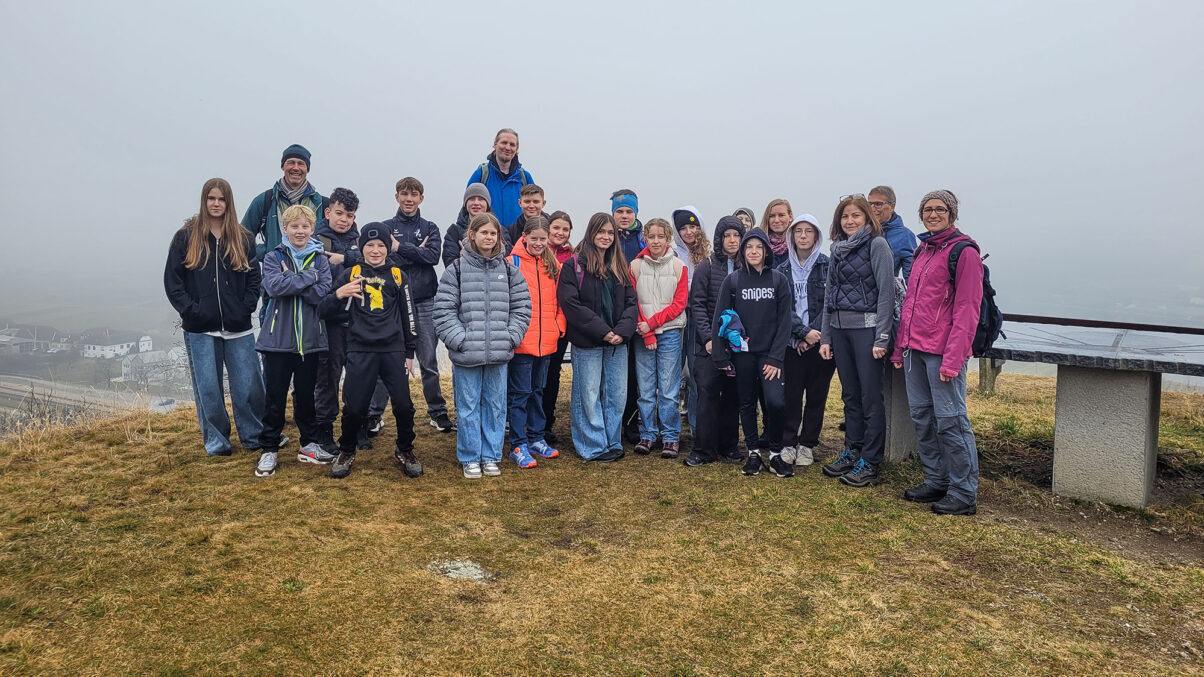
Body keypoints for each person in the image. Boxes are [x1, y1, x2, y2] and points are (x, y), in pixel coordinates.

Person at [892, 190, 983, 516]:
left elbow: (967, 310)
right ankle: (936, 479)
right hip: (915, 351)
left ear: (952, 213)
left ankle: (963, 491)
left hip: (943, 352)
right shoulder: (923, 251)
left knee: (951, 422)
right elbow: (911, 305)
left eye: (939, 209)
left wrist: (954, 358)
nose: (933, 214)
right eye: (927, 209)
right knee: (923, 418)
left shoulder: (964, 252)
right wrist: (901, 347)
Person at [164, 178, 265, 457]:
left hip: (239, 327)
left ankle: (254, 436)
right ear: (204, 201)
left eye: (221, 199)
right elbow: (173, 282)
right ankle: (218, 442)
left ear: (229, 202)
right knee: (208, 389)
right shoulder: (186, 237)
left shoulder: (243, 237)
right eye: (211, 198)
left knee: (249, 386)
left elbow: (254, 277)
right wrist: (192, 311)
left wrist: (246, 307)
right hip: (200, 329)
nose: (216, 203)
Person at [433, 213, 531, 478]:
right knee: (467, 408)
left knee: (496, 407)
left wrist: (510, 337)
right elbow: (443, 310)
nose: (489, 237)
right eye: (484, 232)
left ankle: (490, 456)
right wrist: (460, 340)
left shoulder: (509, 270)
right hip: (467, 354)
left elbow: (522, 308)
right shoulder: (456, 269)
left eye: (493, 233)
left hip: (499, 353)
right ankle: (469, 457)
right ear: (472, 235)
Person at [322, 223, 422, 480]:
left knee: (403, 405)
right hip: (359, 349)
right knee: (354, 408)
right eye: (369, 245)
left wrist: (410, 351)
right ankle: (346, 450)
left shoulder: (398, 276)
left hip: (393, 350)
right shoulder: (350, 273)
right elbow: (323, 310)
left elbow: (409, 314)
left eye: (380, 246)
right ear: (361, 247)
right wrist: (339, 294)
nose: (375, 250)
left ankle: (405, 449)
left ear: (387, 248)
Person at [819, 195, 896, 488]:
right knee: (849, 395)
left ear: (867, 219)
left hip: (867, 331)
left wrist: (882, 337)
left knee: (870, 397)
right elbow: (829, 296)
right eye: (845, 216)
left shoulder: (877, 245)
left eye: (856, 216)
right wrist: (826, 336)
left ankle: (870, 461)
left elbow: (886, 293)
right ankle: (852, 450)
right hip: (839, 331)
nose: (850, 221)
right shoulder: (837, 248)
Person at [254, 204, 333, 477]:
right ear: (285, 229)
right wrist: (306, 279)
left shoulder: (320, 260)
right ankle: (269, 450)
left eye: (305, 226)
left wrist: (295, 279)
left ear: (313, 229)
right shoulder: (274, 256)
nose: (300, 231)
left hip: (310, 341)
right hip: (277, 341)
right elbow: (274, 287)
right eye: (294, 226)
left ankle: (309, 445)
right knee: (274, 398)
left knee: (306, 397)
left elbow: (322, 293)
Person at [558, 213, 638, 462]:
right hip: (588, 342)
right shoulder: (575, 265)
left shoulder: (619, 266)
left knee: (616, 395)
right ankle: (591, 446)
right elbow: (571, 304)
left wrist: (621, 332)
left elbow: (631, 303)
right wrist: (603, 331)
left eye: (610, 233)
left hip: (617, 344)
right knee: (588, 395)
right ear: (591, 233)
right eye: (601, 232)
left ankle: (611, 441)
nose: (606, 237)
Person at [713, 229, 793, 477]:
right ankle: (753, 452)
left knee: (775, 403)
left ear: (767, 251)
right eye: (749, 247)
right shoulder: (733, 281)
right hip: (743, 355)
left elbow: (785, 322)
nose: (754, 251)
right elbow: (721, 318)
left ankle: (776, 453)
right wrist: (721, 355)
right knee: (746, 403)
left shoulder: (778, 280)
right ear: (743, 251)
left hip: (770, 356)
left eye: (759, 247)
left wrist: (776, 357)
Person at [381, 177, 454, 432]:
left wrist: (402, 247)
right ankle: (374, 414)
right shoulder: (385, 227)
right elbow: (385, 260)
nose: (409, 199)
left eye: (414, 194)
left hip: (425, 302)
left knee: (429, 361)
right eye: (404, 193)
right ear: (397, 196)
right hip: (393, 303)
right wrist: (415, 252)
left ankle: (437, 411)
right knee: (387, 359)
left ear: (421, 198)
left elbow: (433, 257)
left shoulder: (431, 227)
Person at [682, 216, 746, 468]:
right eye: (727, 235)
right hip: (707, 345)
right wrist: (708, 338)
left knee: (732, 395)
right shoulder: (706, 266)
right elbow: (696, 305)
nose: (732, 240)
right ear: (719, 239)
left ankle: (729, 445)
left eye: (737, 236)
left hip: (738, 345)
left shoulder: (748, 269)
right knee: (707, 393)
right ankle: (704, 449)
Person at [776, 214, 836, 468]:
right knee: (791, 395)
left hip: (821, 342)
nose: (802, 236)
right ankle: (788, 441)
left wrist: (812, 334)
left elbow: (830, 302)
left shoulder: (828, 265)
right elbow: (781, 307)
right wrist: (801, 333)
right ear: (791, 236)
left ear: (816, 236)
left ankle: (808, 443)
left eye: (808, 231)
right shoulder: (781, 269)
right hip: (792, 343)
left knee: (816, 395)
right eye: (798, 231)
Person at [507, 215, 565, 465]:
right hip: (522, 342)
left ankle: (536, 437)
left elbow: (561, 302)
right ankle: (518, 445)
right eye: (535, 238)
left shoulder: (553, 266)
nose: (539, 243)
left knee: (538, 392)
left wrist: (558, 326)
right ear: (525, 237)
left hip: (547, 341)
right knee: (520, 394)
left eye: (543, 239)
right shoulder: (512, 263)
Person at [630, 218, 690, 458]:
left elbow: (679, 304)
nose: (655, 241)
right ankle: (647, 434)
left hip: (670, 333)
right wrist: (646, 333)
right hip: (642, 335)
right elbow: (633, 301)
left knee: (668, 388)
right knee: (645, 388)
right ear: (645, 238)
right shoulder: (635, 266)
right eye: (651, 236)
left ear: (668, 239)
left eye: (660, 237)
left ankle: (670, 436)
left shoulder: (678, 266)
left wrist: (653, 325)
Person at [314, 187, 361, 454]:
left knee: (358, 377)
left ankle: (356, 428)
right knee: (328, 377)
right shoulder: (318, 241)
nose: (344, 219)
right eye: (339, 213)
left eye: (350, 215)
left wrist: (348, 258)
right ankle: (324, 429)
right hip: (329, 320)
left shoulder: (360, 240)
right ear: (328, 212)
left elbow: (372, 261)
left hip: (357, 321)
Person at [243, 144, 326, 262]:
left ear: (307, 169)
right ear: (283, 166)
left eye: (301, 164)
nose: (296, 168)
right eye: (291, 162)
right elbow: (242, 236)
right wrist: (266, 252)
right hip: (274, 276)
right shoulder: (265, 200)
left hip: (311, 277)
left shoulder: (322, 204)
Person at [671, 206, 711, 439]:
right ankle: (670, 431)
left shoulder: (708, 255)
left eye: (693, 226)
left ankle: (699, 428)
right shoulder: (672, 253)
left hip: (699, 319)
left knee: (698, 375)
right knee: (672, 375)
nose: (688, 232)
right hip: (676, 318)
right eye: (683, 227)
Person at [611, 189, 645, 443]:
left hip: (638, 313)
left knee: (634, 373)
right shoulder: (604, 237)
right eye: (619, 211)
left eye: (628, 211)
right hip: (611, 314)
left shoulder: (643, 240)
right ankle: (611, 421)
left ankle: (631, 422)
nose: (624, 216)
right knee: (614, 372)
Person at [540, 211, 575, 445]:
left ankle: (546, 423)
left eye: (565, 229)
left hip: (561, 322)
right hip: (539, 322)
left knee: (553, 372)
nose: (560, 233)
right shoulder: (539, 252)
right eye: (557, 228)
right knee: (536, 374)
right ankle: (530, 422)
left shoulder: (572, 257)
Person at [467, 128, 533, 229]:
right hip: (489, 238)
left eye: (512, 144)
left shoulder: (525, 177)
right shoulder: (481, 174)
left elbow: (535, 209)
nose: (507, 147)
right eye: (504, 143)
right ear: (495, 144)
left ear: (516, 149)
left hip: (519, 238)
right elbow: (467, 208)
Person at [868, 185, 917, 281]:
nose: (872, 209)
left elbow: (911, 276)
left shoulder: (904, 236)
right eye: (869, 204)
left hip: (882, 293)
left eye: (878, 204)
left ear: (892, 206)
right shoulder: (858, 230)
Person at [442, 183, 493, 266]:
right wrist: (463, 259)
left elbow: (505, 260)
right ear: (465, 204)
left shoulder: (499, 231)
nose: (476, 203)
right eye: (472, 199)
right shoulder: (454, 232)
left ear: (488, 204)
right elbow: (449, 263)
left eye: (480, 199)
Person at [759, 199, 794, 268]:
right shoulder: (759, 245)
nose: (776, 220)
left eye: (781, 215)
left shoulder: (798, 245)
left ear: (790, 217)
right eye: (772, 216)